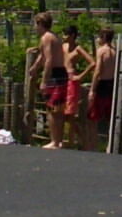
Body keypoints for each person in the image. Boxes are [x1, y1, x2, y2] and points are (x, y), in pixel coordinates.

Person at [32, 12, 69, 149]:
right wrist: (35, 67)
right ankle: (57, 140)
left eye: (36, 24)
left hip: (55, 74)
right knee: (55, 109)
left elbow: (49, 60)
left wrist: (44, 80)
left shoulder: (47, 37)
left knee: (54, 109)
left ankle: (56, 141)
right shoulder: (51, 37)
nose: (35, 27)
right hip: (59, 73)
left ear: (40, 24)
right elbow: (42, 56)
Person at [61, 24, 94, 149]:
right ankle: (74, 140)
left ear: (73, 36)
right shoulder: (63, 46)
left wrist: (80, 76)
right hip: (62, 80)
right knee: (61, 112)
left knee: (70, 113)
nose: (64, 37)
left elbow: (92, 63)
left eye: (66, 35)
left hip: (72, 80)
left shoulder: (78, 49)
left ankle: (76, 141)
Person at [87, 27, 119, 150]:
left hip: (101, 86)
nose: (97, 39)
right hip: (112, 84)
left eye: (99, 36)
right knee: (109, 117)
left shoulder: (101, 51)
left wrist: (92, 89)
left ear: (104, 37)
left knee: (93, 118)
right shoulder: (115, 52)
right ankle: (109, 145)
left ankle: (93, 146)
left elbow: (98, 71)